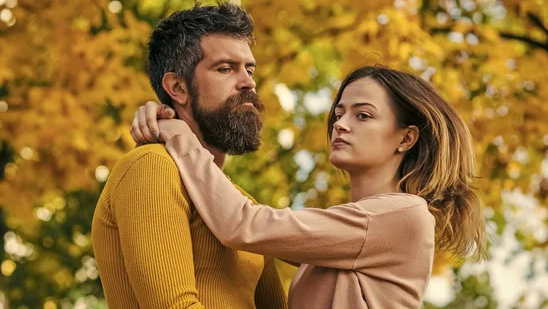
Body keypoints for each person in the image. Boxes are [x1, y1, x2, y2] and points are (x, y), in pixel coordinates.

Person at [131, 66, 487, 309]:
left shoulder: (403, 215)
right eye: (339, 113)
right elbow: (240, 216)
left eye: (363, 115)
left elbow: (243, 225)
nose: (341, 125)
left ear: (406, 138)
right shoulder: (350, 233)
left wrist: (179, 134)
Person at [92, 3, 287, 308]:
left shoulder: (242, 205)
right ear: (178, 87)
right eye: (226, 68)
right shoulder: (151, 168)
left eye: (249, 69)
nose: (248, 82)